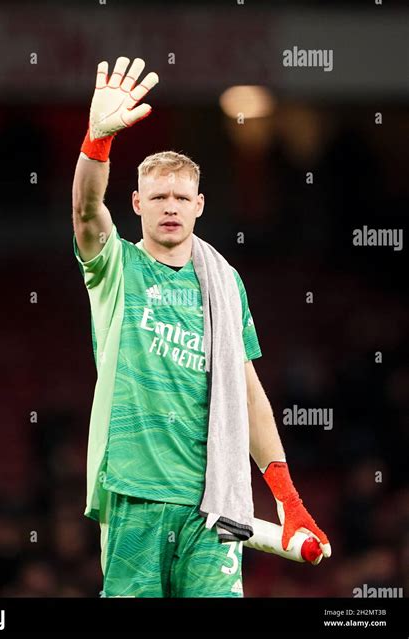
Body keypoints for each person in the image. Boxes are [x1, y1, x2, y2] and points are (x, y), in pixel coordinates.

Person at [72, 56, 331, 598]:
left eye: (182, 198)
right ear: (138, 203)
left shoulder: (224, 282)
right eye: (159, 197)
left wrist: (288, 498)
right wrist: (97, 141)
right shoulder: (115, 266)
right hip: (134, 491)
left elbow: (249, 394)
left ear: (200, 206)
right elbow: (85, 209)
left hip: (214, 500)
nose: (171, 207)